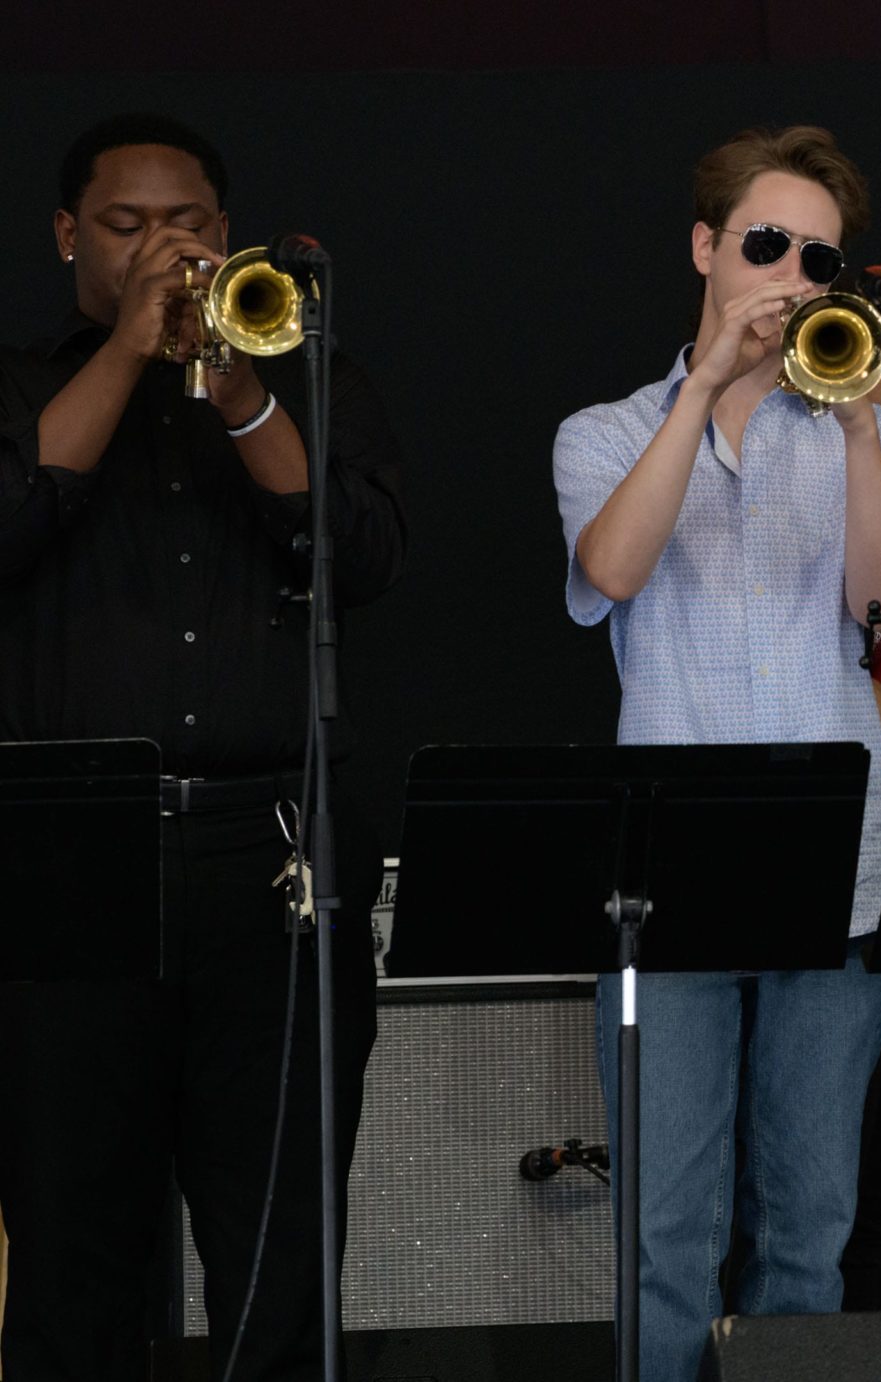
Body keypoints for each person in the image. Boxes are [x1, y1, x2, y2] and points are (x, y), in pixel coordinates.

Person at [0, 112, 404, 1380]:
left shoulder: (300, 377)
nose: (163, 251)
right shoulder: (23, 386)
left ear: (226, 238)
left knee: (277, 1244)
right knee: (75, 1248)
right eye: (128, 228)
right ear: (72, 236)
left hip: (270, 856)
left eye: (188, 229)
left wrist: (238, 391)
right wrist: (128, 350)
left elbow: (362, 553)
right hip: (72, 864)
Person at [550, 124, 881, 1382]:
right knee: (666, 1238)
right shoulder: (602, 431)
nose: (792, 273)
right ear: (706, 249)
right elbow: (610, 570)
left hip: (834, 865)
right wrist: (703, 388)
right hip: (667, 879)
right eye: (766, 243)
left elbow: (880, 615)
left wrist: (865, 436)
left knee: (809, 1230)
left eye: (820, 257)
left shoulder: (854, 423)